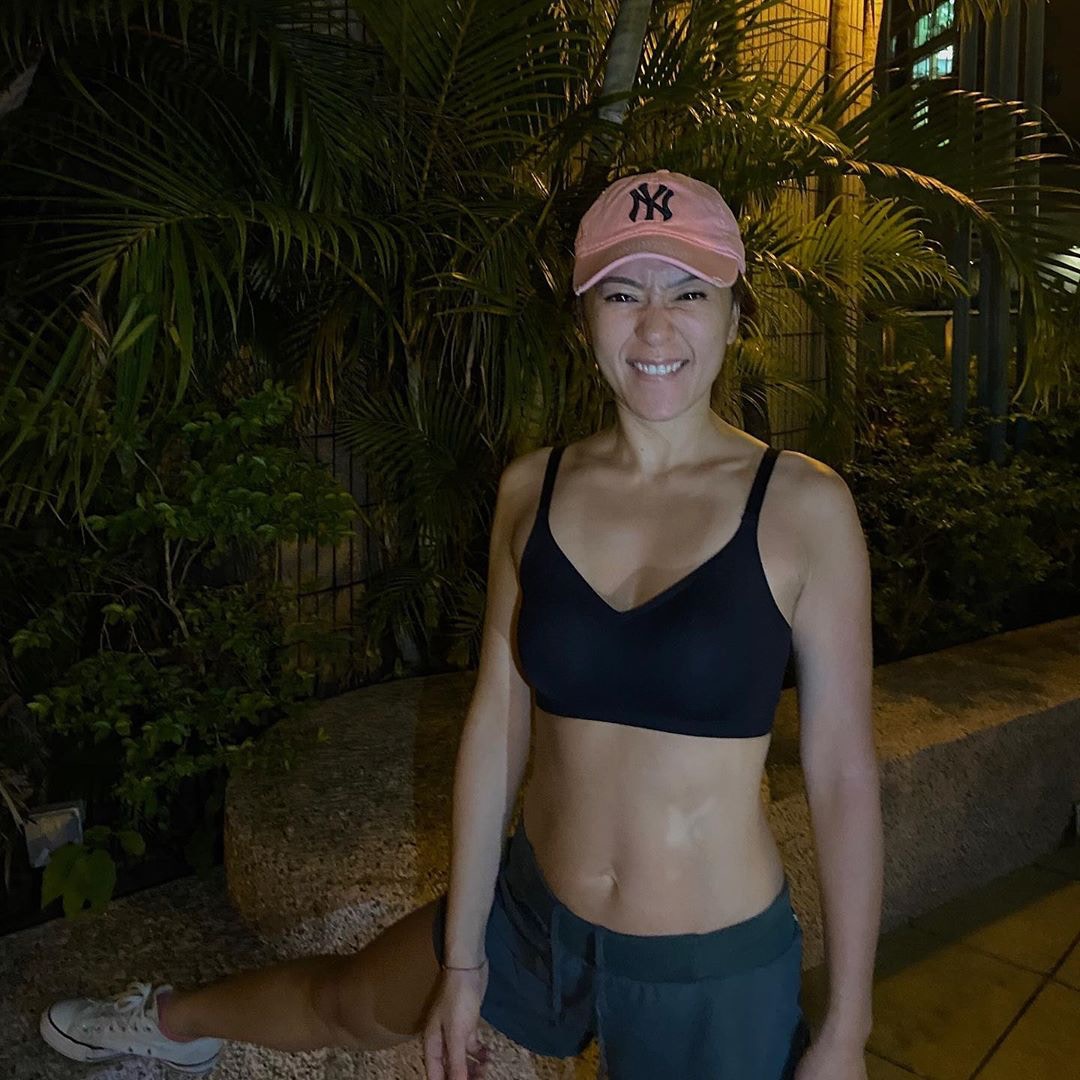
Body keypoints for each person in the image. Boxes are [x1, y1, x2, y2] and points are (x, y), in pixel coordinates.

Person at [40, 169, 883, 1080]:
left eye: (689, 293)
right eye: (621, 294)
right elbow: (498, 720)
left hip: (707, 966)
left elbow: (843, 772)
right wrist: (466, 956)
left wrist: (846, 1029)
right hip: (530, 912)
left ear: (733, 314)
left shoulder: (803, 506)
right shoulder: (532, 489)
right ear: (584, 318)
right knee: (352, 1000)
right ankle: (172, 1022)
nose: (654, 327)